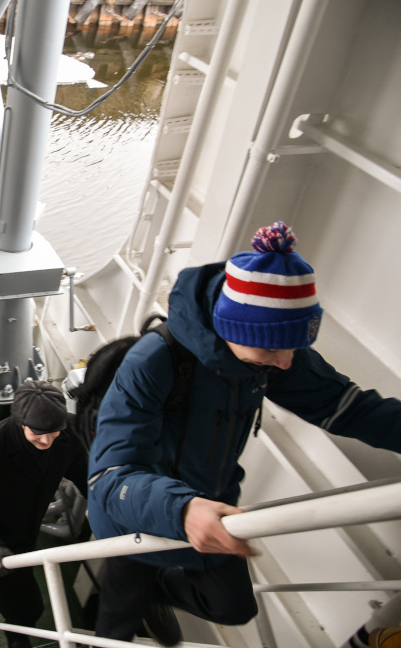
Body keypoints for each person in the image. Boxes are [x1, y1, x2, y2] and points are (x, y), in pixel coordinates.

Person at [87, 222, 401, 646]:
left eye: (295, 348)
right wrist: (182, 510)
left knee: (232, 608)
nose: (286, 363)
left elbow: (348, 408)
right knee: (115, 627)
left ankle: (155, 591)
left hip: (212, 504)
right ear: (232, 330)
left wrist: (197, 508)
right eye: (272, 350)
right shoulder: (154, 361)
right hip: (137, 515)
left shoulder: (271, 351)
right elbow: (108, 479)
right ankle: (136, 599)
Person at [0, 381, 89, 648]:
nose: (47, 441)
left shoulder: (69, 432)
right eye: (38, 433)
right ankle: (17, 635)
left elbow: (84, 474)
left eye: (53, 433)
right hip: (1, 529)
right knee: (28, 607)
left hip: (32, 521)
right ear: (20, 422)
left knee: (1, 567)